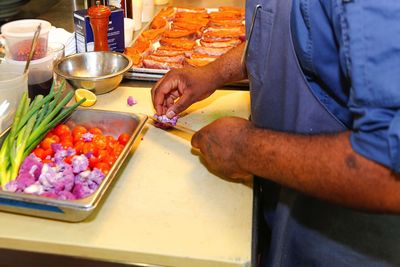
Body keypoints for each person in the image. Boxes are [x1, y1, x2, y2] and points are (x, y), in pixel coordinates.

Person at [151, 0, 400, 266]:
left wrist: (245, 149)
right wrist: (213, 73)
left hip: (347, 241)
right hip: (286, 210)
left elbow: (387, 166)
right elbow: (285, 34)